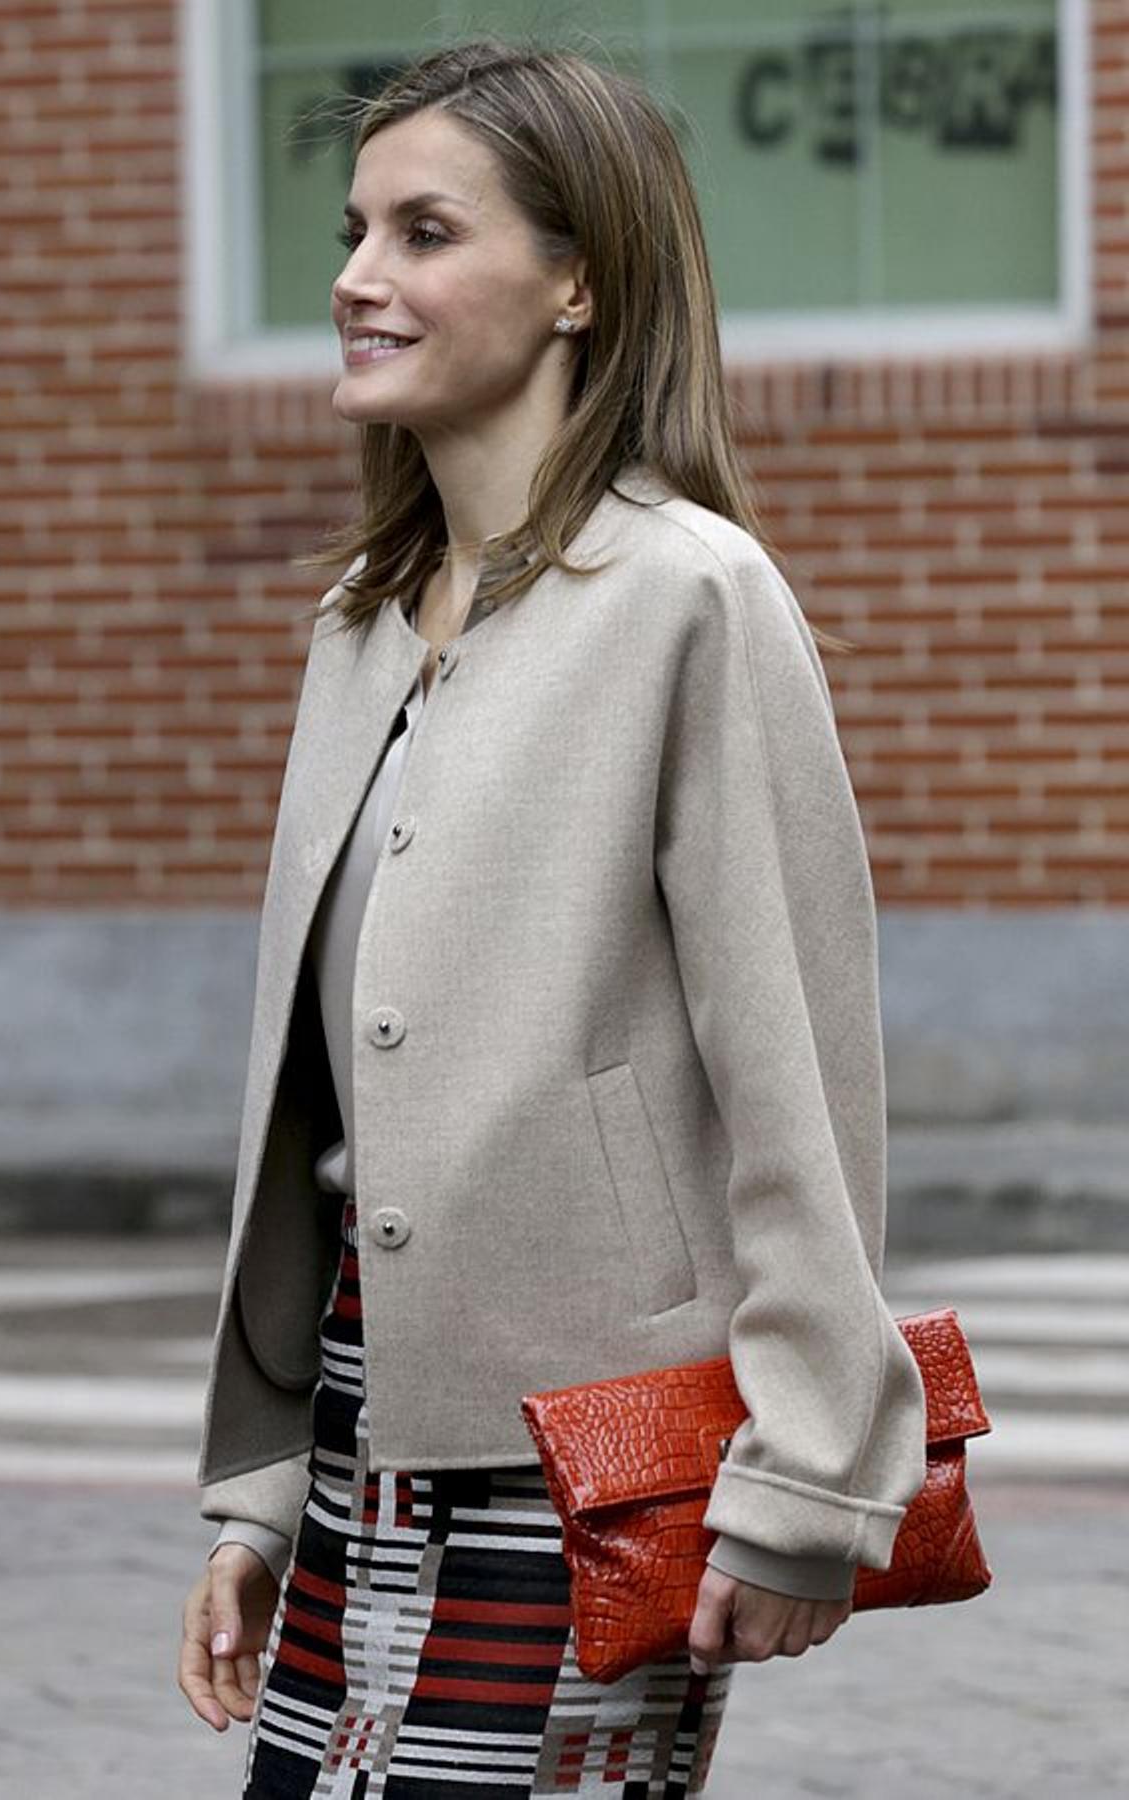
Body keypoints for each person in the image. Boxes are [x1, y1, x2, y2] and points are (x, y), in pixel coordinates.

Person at [178, 35, 927, 1797]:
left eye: (425, 232)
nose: (358, 279)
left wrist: (809, 1475)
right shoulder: (361, 624)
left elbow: (796, 1073)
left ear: (578, 277)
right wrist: (263, 1495)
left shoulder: (690, 598)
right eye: (354, 233)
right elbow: (320, 1108)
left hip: (599, 1450)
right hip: (369, 1415)